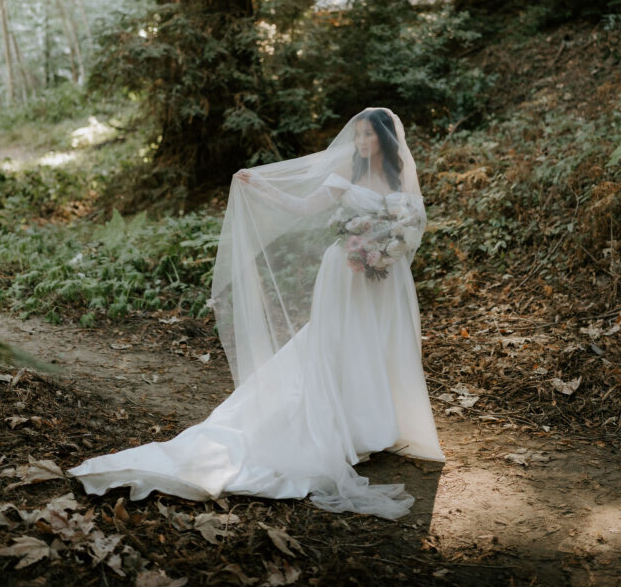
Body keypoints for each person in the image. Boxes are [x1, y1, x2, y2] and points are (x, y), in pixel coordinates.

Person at [68, 108, 444, 519]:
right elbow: (303, 207)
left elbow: (413, 223)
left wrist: (391, 247)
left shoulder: (400, 177)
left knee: (376, 342)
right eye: (358, 136)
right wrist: (261, 186)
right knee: (340, 341)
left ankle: (377, 425)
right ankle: (346, 426)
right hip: (344, 273)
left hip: (383, 277)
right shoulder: (346, 176)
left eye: (369, 136)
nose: (361, 143)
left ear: (386, 140)